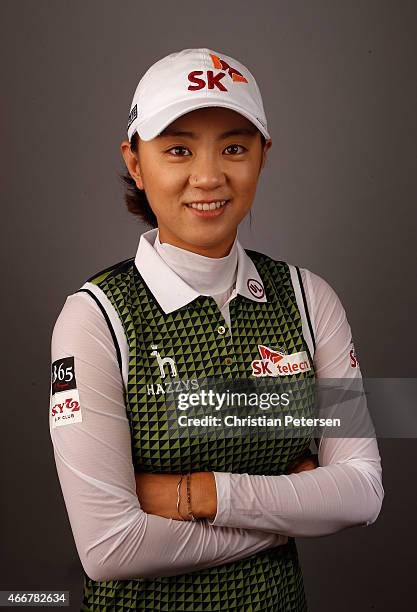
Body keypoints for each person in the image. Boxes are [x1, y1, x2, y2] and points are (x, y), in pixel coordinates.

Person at [49, 48, 384, 611]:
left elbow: (362, 491)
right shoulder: (95, 319)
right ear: (135, 162)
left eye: (234, 147)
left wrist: (197, 493)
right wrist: (291, 510)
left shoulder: (308, 298)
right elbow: (110, 548)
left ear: (262, 156)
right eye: (178, 149)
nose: (208, 176)